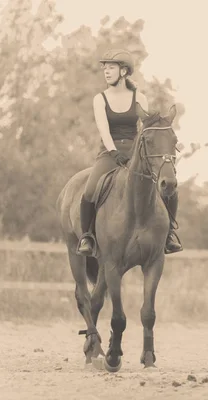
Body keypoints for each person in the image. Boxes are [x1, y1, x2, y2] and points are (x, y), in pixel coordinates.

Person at [76, 49, 183, 256]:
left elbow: (146, 129)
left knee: (170, 187)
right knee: (89, 190)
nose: (106, 72)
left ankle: (168, 234)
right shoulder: (100, 99)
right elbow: (103, 130)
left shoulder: (139, 97)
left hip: (137, 153)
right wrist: (114, 152)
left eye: (111, 68)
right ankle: (87, 236)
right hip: (109, 153)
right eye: (105, 68)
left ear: (123, 72)